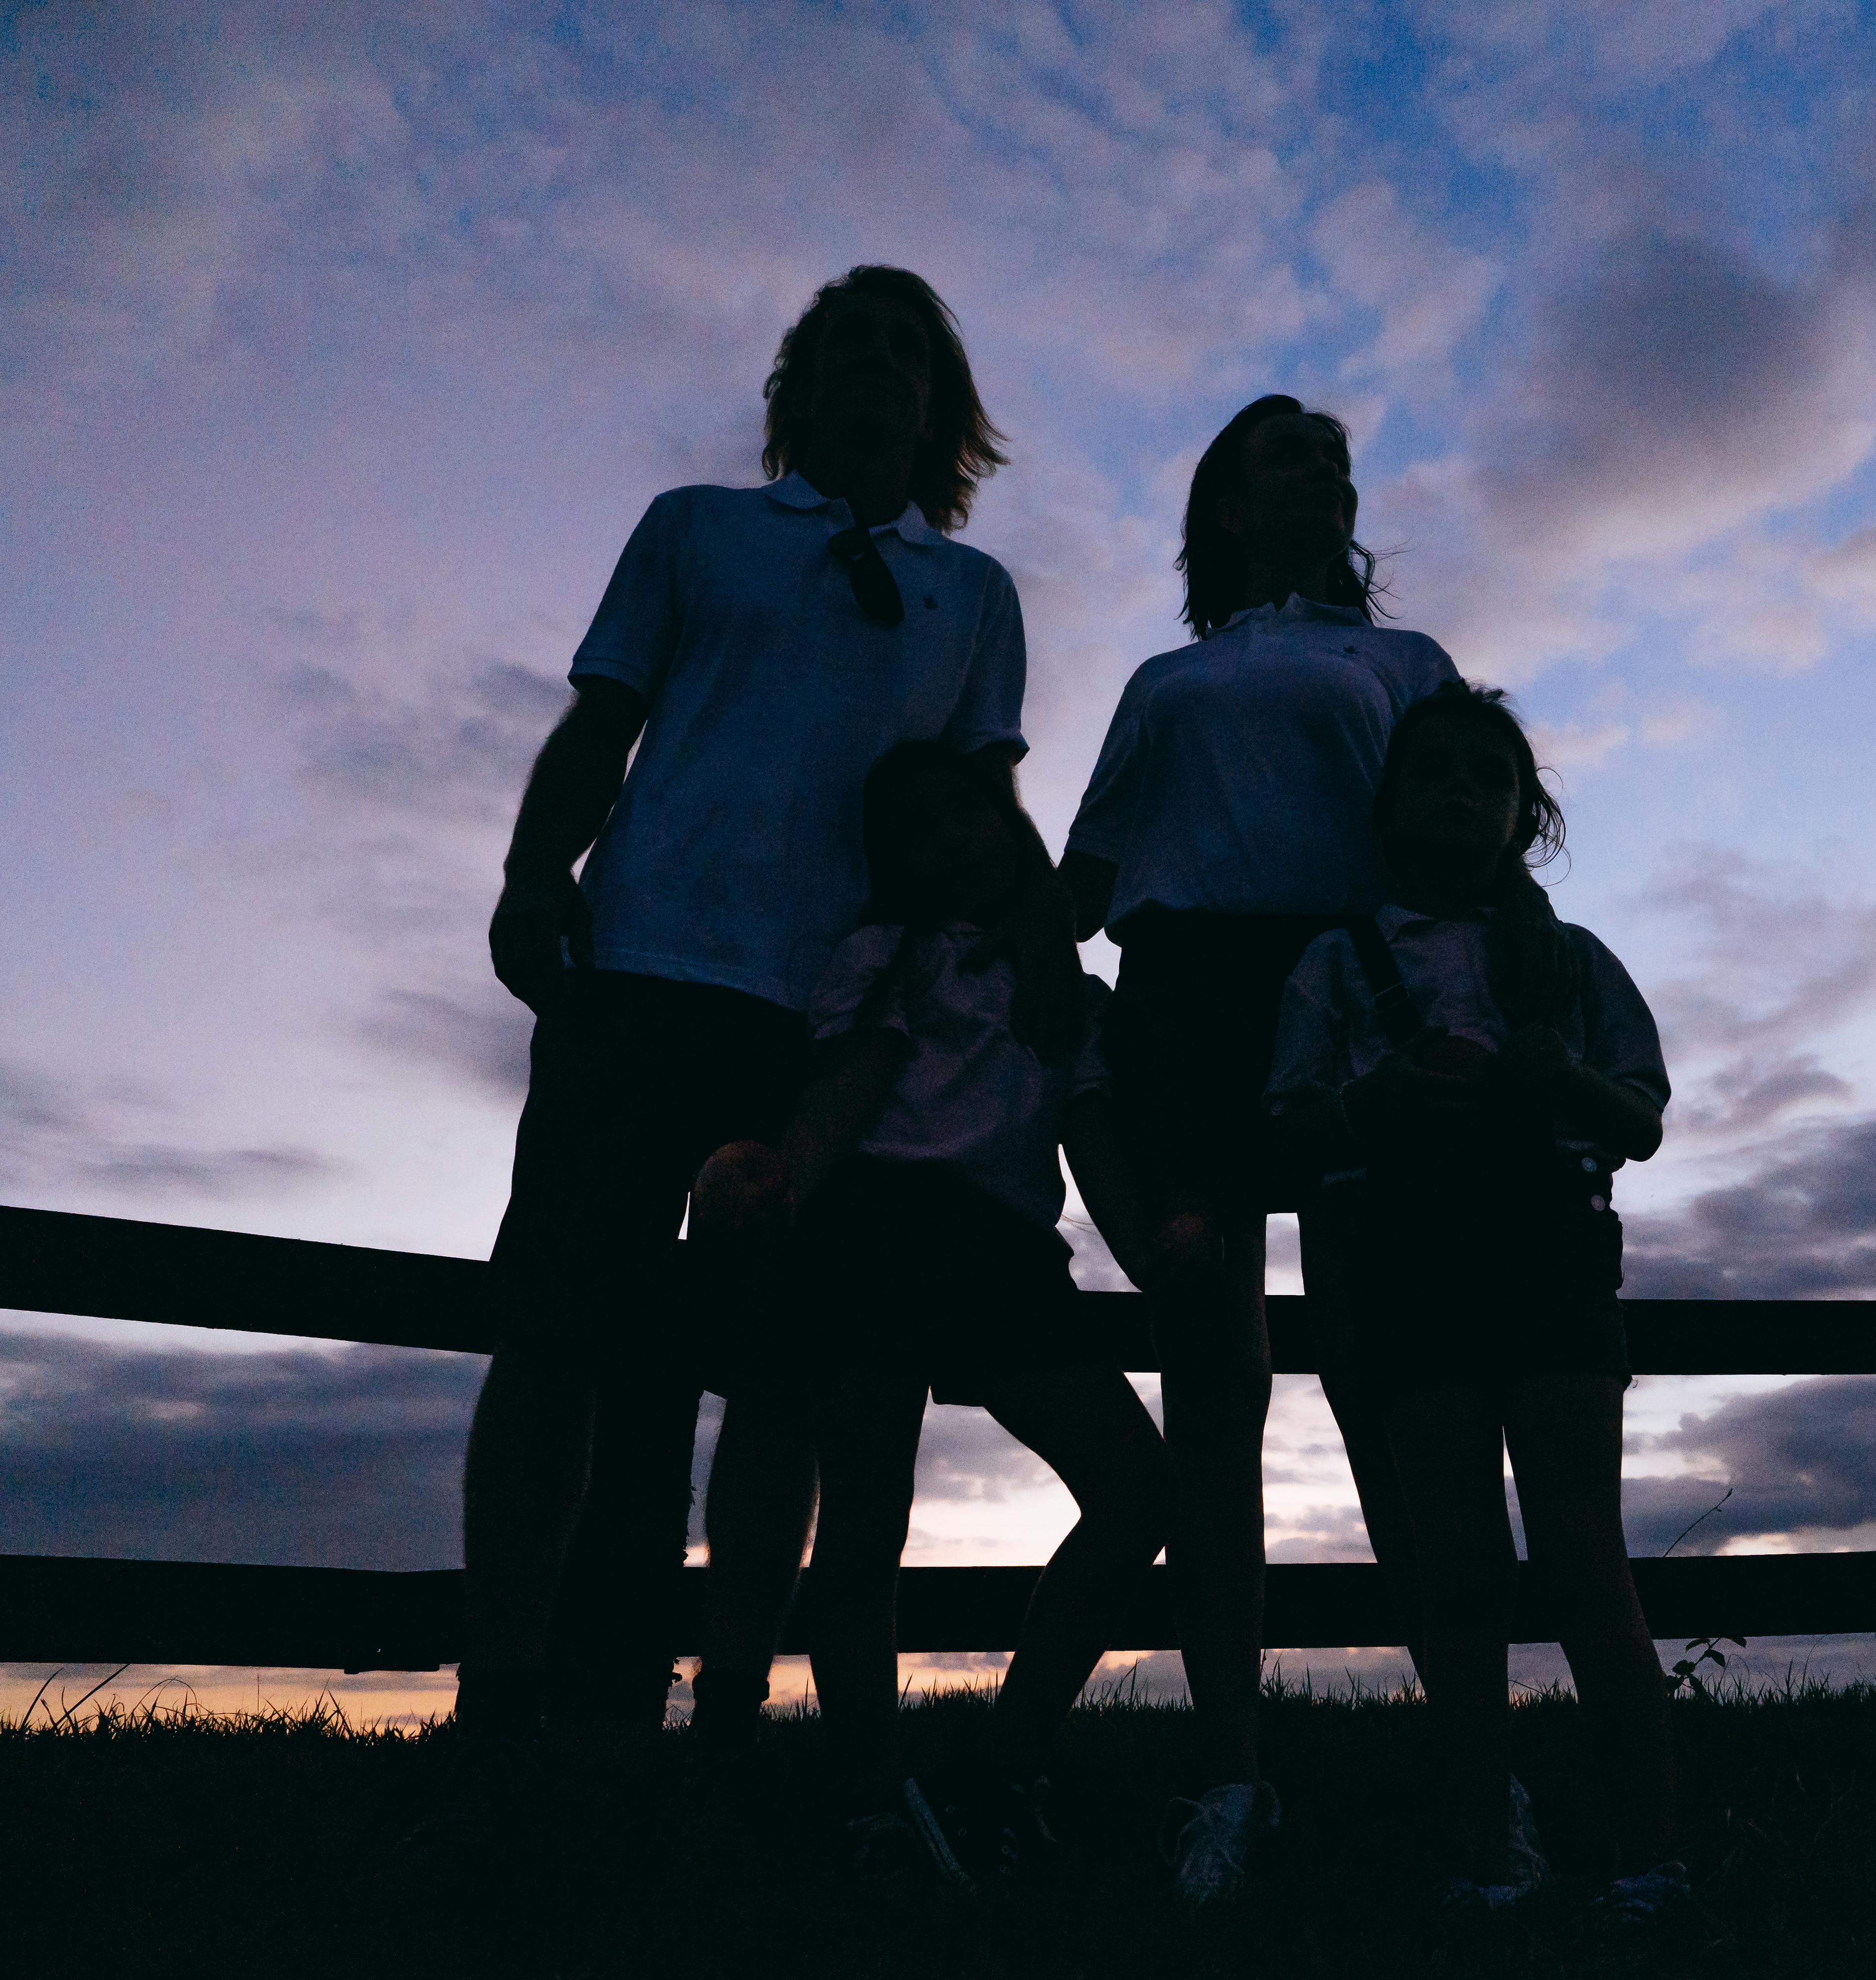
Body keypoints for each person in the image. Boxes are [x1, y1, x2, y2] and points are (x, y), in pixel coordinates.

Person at [458, 265, 1029, 1772]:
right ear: (796, 385)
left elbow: (983, 811)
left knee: (783, 1381)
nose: (875, 369)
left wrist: (1042, 965)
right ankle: (507, 1705)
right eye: (844, 345)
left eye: (907, 348)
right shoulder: (695, 528)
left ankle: (719, 1712)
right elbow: (605, 721)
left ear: (942, 402)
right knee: (559, 1340)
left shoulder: (972, 597)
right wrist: (532, 875)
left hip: (824, 1032)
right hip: (636, 978)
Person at [1058, 395, 1456, 1898]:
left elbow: (1457, 832)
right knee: (1215, 1389)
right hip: (1188, 1008)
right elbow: (1087, 874)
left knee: (1386, 1381)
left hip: (1350, 999)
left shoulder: (1406, 665)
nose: (1324, 467)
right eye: (1286, 450)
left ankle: (1476, 1762)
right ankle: (1229, 1777)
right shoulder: (1169, 678)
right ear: (1224, 502)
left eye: (1336, 455)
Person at [686, 740, 1169, 1900]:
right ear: (887, 860)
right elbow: (852, 1081)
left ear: (1011, 829)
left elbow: (1091, 1137)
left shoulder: (1061, 985)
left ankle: (1011, 1756)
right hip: (871, 1233)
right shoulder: (879, 955)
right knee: (863, 1525)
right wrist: (787, 1177)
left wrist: (1156, 1255)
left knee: (1140, 1488)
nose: (950, 841)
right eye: (917, 828)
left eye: (970, 815)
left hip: (1000, 1253)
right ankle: (870, 1791)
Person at [1266, 680, 1685, 1922]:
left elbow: (1645, 1118)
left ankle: (1649, 1852)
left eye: (1487, 778)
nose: (1459, 791)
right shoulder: (1336, 965)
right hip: (1407, 1268)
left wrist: (1557, 1073)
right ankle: (1480, 1856)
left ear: (1524, 819)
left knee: (1583, 1554)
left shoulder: (1575, 962)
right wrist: (1370, 1105)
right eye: (1433, 771)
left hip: (1550, 1257)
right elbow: (1286, 1129)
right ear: (1386, 807)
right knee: (1455, 1568)